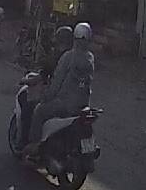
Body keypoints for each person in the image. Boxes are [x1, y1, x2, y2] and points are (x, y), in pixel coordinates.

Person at [26, 22, 95, 153]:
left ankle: (34, 147)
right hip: (84, 105)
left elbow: (56, 83)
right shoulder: (90, 58)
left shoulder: (68, 57)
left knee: (39, 111)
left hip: (65, 104)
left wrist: (45, 97)